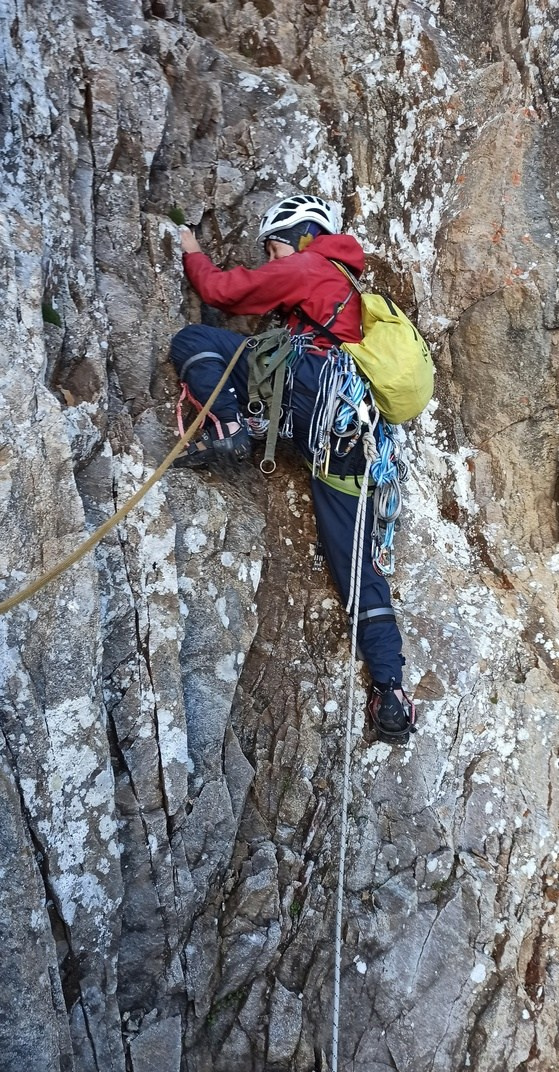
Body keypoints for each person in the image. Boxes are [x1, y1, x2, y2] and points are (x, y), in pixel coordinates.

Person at [170, 194, 416, 742]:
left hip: (307, 401)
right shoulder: (346, 287)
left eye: (275, 243)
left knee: (195, 341)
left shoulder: (307, 266)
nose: (272, 254)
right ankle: (391, 690)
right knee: (356, 567)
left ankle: (234, 426)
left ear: (303, 235)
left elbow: (220, 293)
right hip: (349, 436)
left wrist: (190, 249)